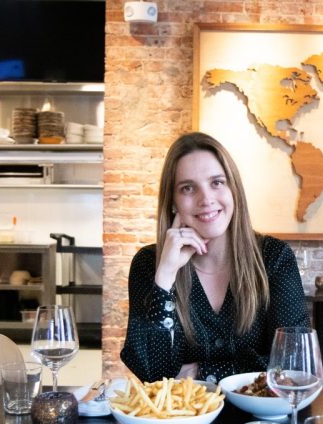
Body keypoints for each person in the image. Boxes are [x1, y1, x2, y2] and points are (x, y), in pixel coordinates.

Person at [121, 132, 309, 383]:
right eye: (188, 188)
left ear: (233, 190)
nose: (206, 199)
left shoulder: (274, 258)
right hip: (182, 420)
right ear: (174, 202)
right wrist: (165, 278)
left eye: (217, 182)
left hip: (264, 419)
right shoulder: (148, 264)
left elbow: (294, 362)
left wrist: (203, 372)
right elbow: (152, 372)